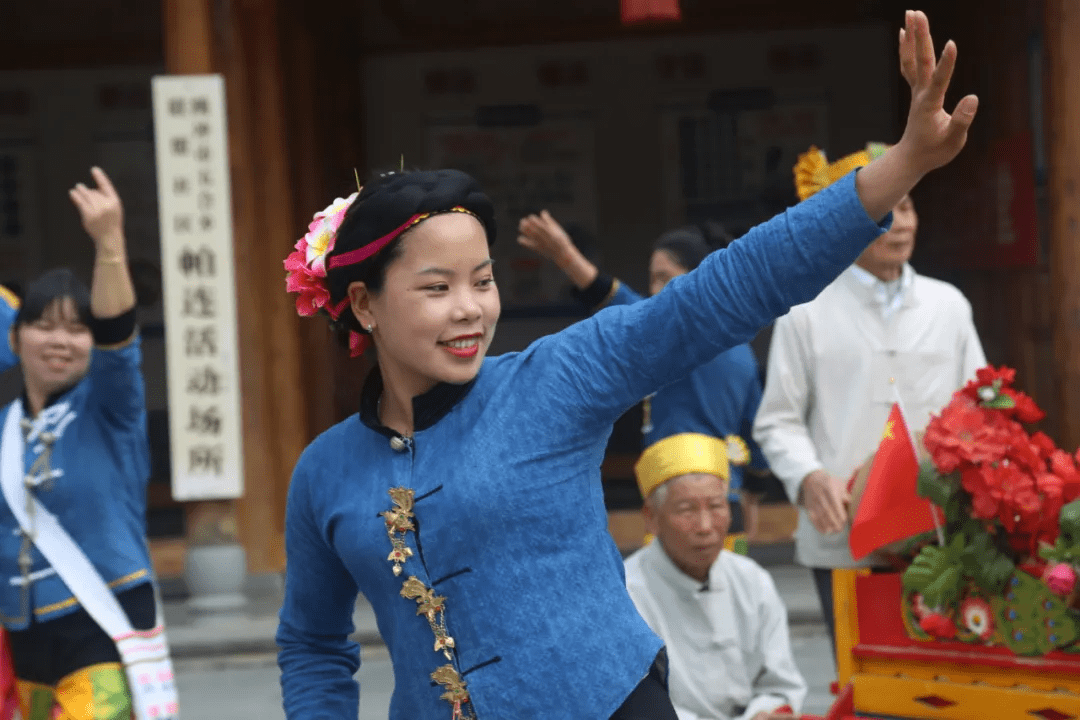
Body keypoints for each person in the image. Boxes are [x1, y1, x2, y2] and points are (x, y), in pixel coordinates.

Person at [276, 11, 977, 719]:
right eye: (437, 287)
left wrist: (904, 165)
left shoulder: (556, 380)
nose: (470, 310)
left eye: (483, 281)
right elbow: (311, 643)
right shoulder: (324, 474)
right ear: (363, 304)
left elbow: (726, 289)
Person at [752, 139, 987, 656]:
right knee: (861, 689)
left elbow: (981, 410)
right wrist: (810, 478)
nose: (900, 224)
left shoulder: (948, 305)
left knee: (941, 683)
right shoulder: (805, 310)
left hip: (938, 535)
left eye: (907, 207)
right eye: (886, 209)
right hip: (843, 541)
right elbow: (777, 421)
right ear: (848, 220)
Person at [0, 168, 176, 720]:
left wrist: (109, 244)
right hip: (22, 638)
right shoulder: (3, 427)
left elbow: (118, 337)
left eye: (77, 329)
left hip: (103, 624)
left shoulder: (111, 405)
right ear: (15, 336)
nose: (60, 341)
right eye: (44, 326)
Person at [516, 216, 770, 538]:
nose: (654, 292)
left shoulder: (684, 332)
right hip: (725, 504)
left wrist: (566, 255)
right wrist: (753, 493)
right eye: (652, 279)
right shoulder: (741, 348)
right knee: (730, 588)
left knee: (673, 588)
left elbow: (616, 300)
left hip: (682, 503)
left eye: (664, 279)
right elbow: (758, 436)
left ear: (700, 280)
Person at [624, 432, 807, 720]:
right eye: (686, 510)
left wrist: (764, 712)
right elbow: (634, 705)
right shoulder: (628, 593)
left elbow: (781, 687)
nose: (705, 525)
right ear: (651, 516)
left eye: (717, 506)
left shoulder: (752, 581)